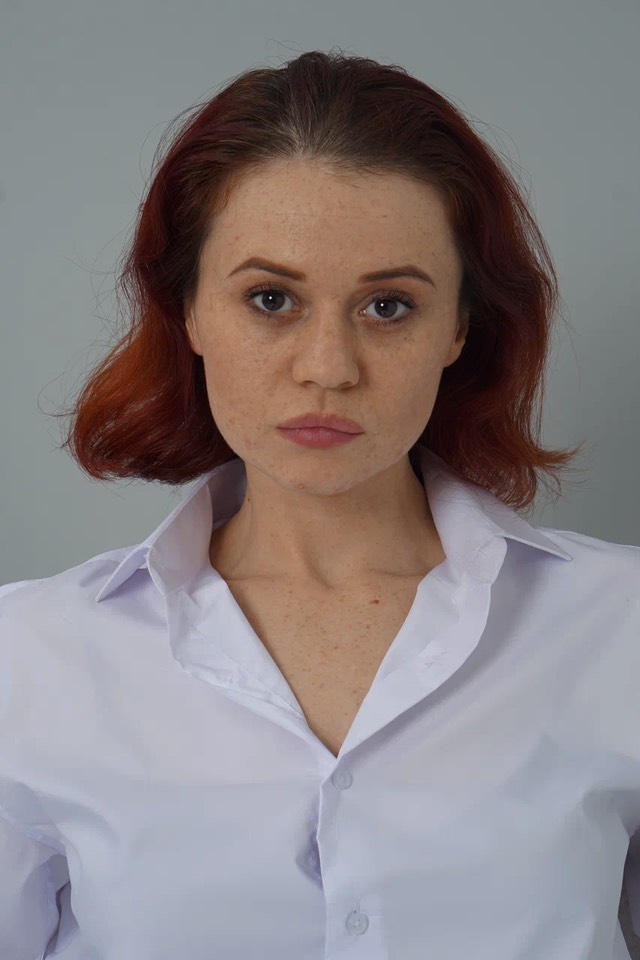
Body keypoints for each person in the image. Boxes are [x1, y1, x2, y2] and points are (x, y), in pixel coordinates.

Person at [1, 49, 639, 960]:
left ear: (460, 327)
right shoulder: (30, 657)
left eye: (389, 306)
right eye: (271, 299)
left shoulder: (620, 628)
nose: (328, 368)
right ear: (188, 310)